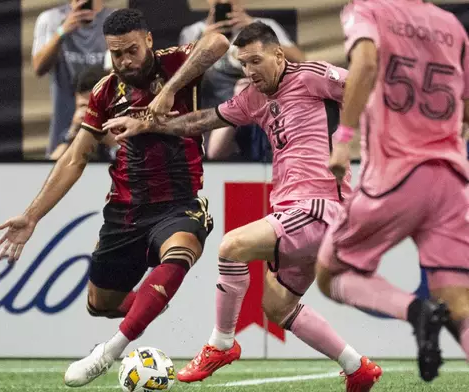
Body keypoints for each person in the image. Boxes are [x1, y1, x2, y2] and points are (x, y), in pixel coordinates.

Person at [107, 22, 381, 391]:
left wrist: (349, 140)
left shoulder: (312, 75)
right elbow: (201, 120)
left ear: (279, 55)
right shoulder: (253, 97)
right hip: (293, 211)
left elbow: (367, 87)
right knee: (278, 307)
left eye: (256, 61)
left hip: (320, 205)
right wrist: (145, 125)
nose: (250, 71)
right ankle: (357, 367)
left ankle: (221, 343)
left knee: (231, 246)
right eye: (243, 64)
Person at [0, 9, 230, 387]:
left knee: (181, 249)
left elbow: (218, 42)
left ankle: (110, 351)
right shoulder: (105, 91)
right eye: (116, 54)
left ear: (148, 40)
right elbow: (75, 156)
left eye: (131, 51)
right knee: (99, 304)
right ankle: (151, 299)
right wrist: (32, 215)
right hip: (125, 211)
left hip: (178, 202)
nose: (124, 61)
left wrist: (169, 91)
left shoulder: (175, 63)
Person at [315, 0, 469, 383]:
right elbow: (465, 102)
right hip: (451, 177)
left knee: (329, 273)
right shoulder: (451, 24)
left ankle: (416, 312)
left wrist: (342, 140)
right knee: (460, 305)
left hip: (395, 174)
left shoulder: (366, 10)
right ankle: (429, 311)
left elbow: (365, 64)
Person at [180, 0, 303, 160]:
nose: (224, 1)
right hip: (216, 123)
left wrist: (258, 31)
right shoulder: (193, 32)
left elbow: (300, 63)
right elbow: (181, 83)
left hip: (264, 121)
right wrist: (202, 43)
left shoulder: (265, 26)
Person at [32, 0, 114, 156]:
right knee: (59, 172)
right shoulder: (51, 19)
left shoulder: (114, 20)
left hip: (107, 122)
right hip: (66, 122)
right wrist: (62, 31)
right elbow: (38, 67)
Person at [49, 67, 118, 161]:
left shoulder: (128, 128)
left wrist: (112, 141)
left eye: (92, 106)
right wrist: (70, 137)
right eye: (82, 106)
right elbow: (49, 169)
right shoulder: (75, 130)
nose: (88, 113)